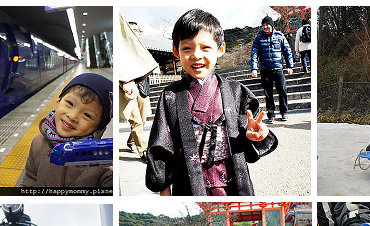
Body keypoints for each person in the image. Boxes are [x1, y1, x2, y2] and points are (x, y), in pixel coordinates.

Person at [146, 9, 278, 196]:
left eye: (205, 47)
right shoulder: (171, 96)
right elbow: (161, 146)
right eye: (187, 48)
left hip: (232, 184)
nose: (196, 55)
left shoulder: (235, 91)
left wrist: (254, 136)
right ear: (176, 51)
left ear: (220, 48)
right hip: (189, 186)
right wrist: (164, 190)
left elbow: (249, 137)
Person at [20, 73, 113, 187]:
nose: (73, 116)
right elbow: (31, 179)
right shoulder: (38, 143)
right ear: (58, 102)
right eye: (70, 103)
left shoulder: (103, 157)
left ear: (99, 127)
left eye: (87, 115)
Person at [119, 11, 159, 160]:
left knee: (141, 121)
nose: (135, 33)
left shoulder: (142, 49)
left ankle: (131, 141)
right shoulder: (122, 50)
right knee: (136, 122)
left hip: (142, 90)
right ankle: (144, 151)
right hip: (127, 90)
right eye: (132, 31)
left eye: (137, 31)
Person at [250, 16, 294, 123]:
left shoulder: (280, 36)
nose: (265, 27)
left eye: (267, 25)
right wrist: (254, 68)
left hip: (278, 68)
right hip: (265, 70)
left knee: (282, 91)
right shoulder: (258, 38)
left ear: (271, 25)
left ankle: (284, 112)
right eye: (263, 25)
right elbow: (254, 53)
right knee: (268, 93)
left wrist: (289, 66)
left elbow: (287, 51)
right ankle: (271, 114)